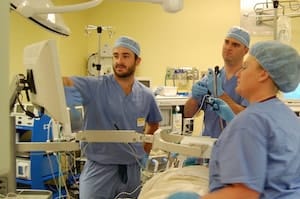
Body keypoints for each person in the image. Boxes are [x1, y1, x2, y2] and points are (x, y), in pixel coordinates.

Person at [168, 40, 300, 198]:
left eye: (245, 67)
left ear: (263, 73)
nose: (238, 73)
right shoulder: (287, 115)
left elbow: (244, 194)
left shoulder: (251, 121)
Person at [63, 36, 162, 199]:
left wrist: (143, 153)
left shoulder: (146, 95)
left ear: (138, 61)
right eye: (115, 56)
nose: (119, 61)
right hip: (99, 171)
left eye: (125, 56)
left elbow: (153, 124)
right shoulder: (95, 86)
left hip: (131, 173)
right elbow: (66, 82)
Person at [184, 26, 250, 138]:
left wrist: (221, 95)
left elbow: (249, 118)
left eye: (235, 45)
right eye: (226, 42)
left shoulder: (249, 80)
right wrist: (194, 98)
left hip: (234, 146)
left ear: (245, 50)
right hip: (208, 145)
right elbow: (188, 114)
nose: (228, 47)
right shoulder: (211, 78)